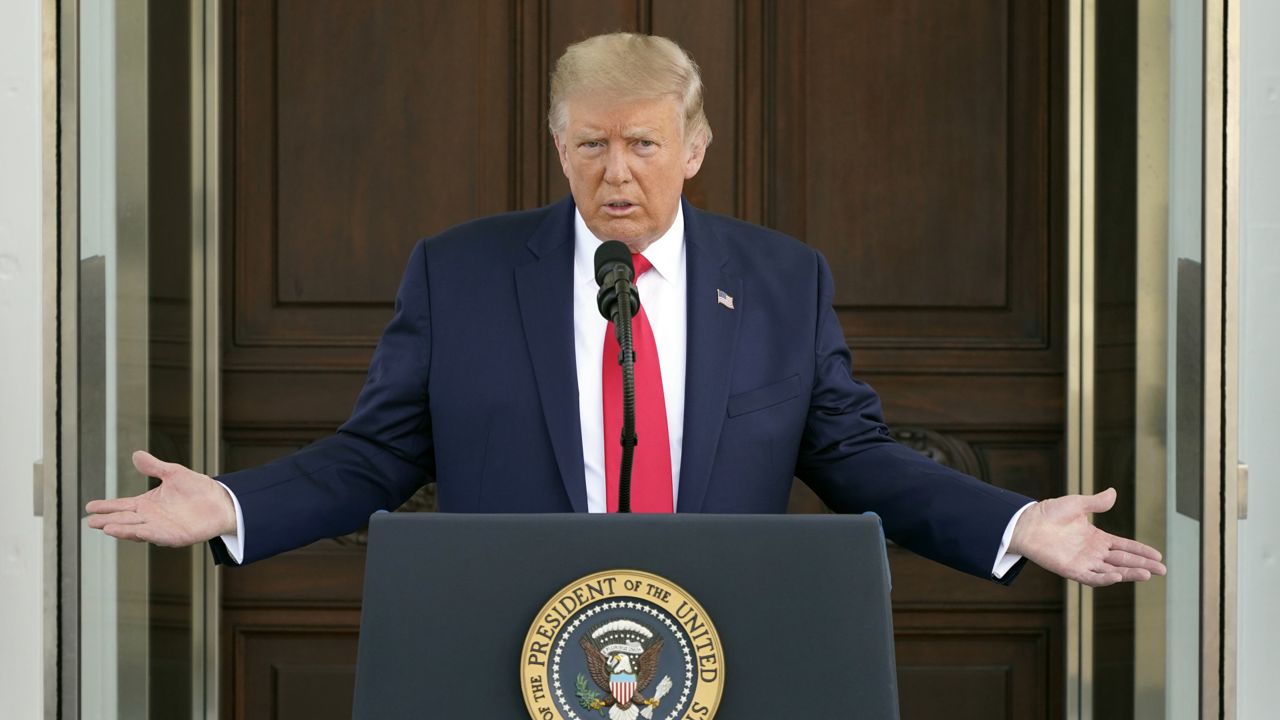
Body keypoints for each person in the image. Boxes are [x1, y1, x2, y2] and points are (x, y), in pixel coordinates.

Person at [86, 32, 1164, 587]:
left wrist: (1016, 523)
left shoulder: (782, 279)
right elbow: (376, 456)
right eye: (590, 142)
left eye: (643, 143)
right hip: (508, 638)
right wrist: (229, 506)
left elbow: (853, 457)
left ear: (692, 149)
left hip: (718, 639)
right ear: (558, 145)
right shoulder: (459, 273)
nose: (617, 170)